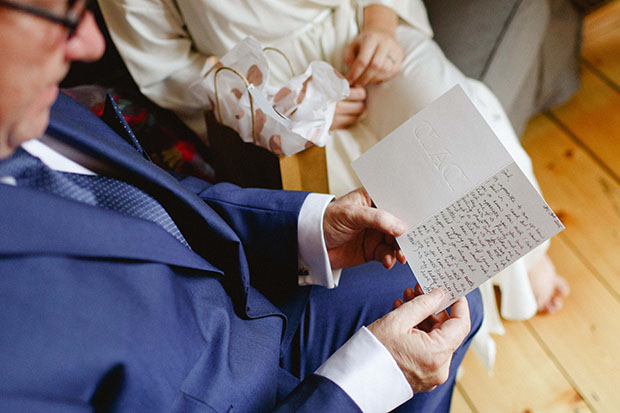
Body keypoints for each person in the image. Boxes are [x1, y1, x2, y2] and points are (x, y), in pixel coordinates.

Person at [0, 0, 482, 411]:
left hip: (244, 292)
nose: (92, 45)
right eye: (57, 14)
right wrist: (373, 379)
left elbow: (165, 203)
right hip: (251, 395)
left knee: (454, 289)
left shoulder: (37, 112)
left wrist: (311, 229)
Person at [99, 0, 568, 368]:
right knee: (364, 207)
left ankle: (523, 262)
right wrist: (267, 109)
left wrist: (381, 27)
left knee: (459, 121)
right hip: (260, 89)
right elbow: (165, 63)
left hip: (356, 36)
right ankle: (444, 312)